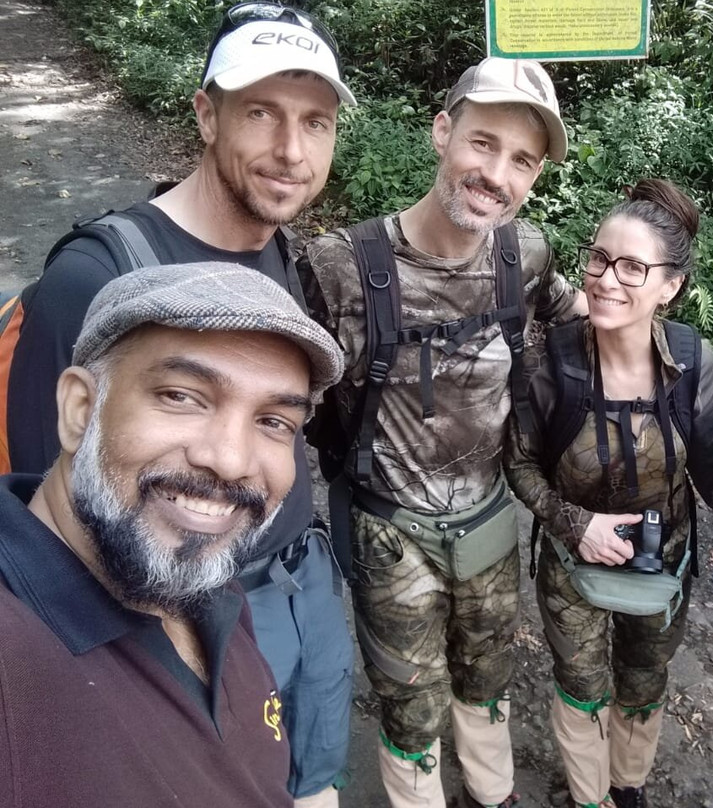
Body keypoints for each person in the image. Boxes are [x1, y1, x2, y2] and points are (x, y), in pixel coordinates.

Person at [4, 5, 357, 806]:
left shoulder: (279, 246)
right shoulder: (94, 279)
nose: (291, 151)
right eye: (261, 112)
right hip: (188, 619)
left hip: (299, 589)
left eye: (316, 122)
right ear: (205, 114)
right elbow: (46, 539)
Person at [299, 57, 588, 808]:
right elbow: (279, 403)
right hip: (388, 530)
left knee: (488, 678)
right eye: (482, 143)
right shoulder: (341, 270)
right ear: (441, 132)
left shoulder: (523, 256)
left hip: (490, 517)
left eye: (522, 160)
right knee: (409, 701)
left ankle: (493, 796)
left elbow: (583, 335)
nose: (496, 173)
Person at [0, 262, 345, 807]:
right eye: (183, 396)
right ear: (79, 410)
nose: (230, 461)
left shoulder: (198, 578)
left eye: (274, 421)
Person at [504, 179, 713, 808]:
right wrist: (576, 524)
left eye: (633, 267)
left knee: (643, 678)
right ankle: (588, 795)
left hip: (666, 562)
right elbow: (518, 466)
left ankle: (626, 787)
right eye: (598, 259)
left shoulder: (691, 361)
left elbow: (710, 469)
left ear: (670, 286)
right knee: (582, 682)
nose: (605, 279)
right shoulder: (554, 363)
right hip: (573, 566)